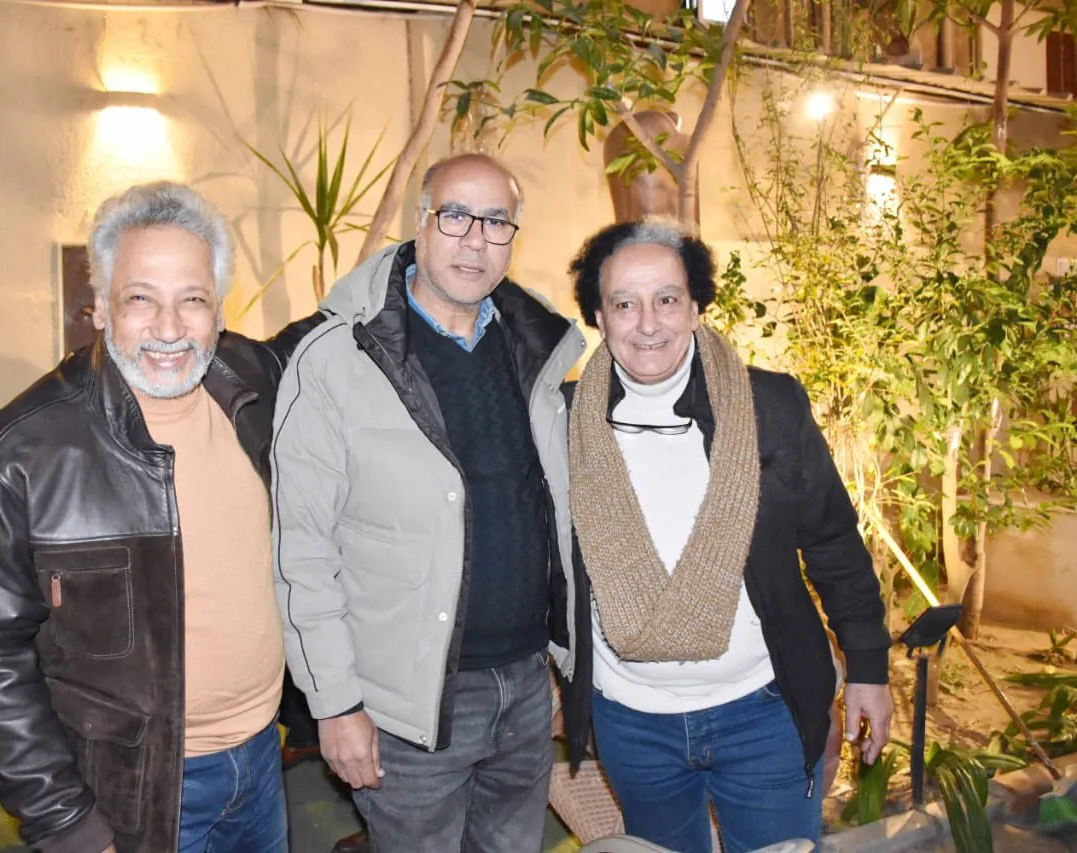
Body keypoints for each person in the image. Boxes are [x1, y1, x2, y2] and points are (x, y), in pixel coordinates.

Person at [0, 182, 287, 853]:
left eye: (192, 299)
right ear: (99, 307)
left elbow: (333, 333)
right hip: (128, 787)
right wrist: (63, 820)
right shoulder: (22, 451)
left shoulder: (251, 385)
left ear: (219, 310)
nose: (169, 329)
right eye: (140, 299)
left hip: (262, 757)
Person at [270, 153, 587, 853]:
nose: (475, 239)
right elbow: (302, 552)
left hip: (524, 687)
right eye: (455, 216)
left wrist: (558, 663)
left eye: (496, 221)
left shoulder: (534, 350)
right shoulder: (337, 358)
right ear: (420, 222)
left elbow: (552, 514)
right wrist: (336, 704)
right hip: (406, 708)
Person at [562, 218, 893, 852]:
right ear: (599, 317)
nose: (648, 323)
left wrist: (869, 669)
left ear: (696, 306)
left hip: (764, 711)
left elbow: (833, 543)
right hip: (632, 723)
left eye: (667, 299)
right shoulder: (564, 421)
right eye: (624, 304)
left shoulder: (769, 406)